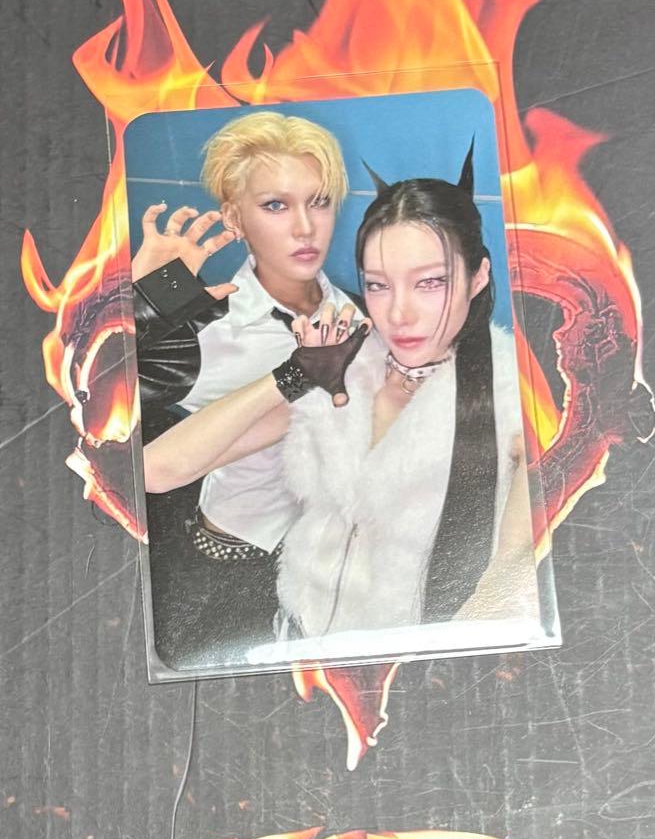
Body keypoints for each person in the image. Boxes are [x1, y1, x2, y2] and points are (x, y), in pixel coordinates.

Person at [143, 147, 536, 658]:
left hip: (393, 671)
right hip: (290, 639)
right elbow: (158, 470)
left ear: (478, 277)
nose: (400, 313)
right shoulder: (349, 364)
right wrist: (292, 375)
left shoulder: (514, 394)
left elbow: (507, 577)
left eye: (430, 283)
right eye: (378, 285)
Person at [129, 110, 357, 668]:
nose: (304, 228)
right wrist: (136, 310)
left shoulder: (366, 316)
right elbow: (123, 455)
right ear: (234, 216)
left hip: (340, 580)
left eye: (319, 202)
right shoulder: (199, 326)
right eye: (275, 205)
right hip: (225, 574)